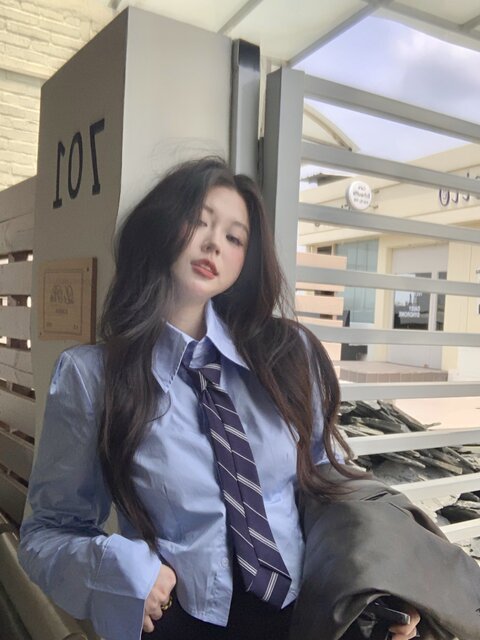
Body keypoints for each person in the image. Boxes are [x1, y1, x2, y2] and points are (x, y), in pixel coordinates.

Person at [18, 157, 420, 640]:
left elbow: (325, 477)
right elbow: (45, 534)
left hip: (307, 613)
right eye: (199, 221)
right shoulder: (93, 377)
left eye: (234, 237)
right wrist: (120, 571)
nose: (213, 244)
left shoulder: (286, 356)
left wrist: (389, 577)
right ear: (162, 225)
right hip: (181, 622)